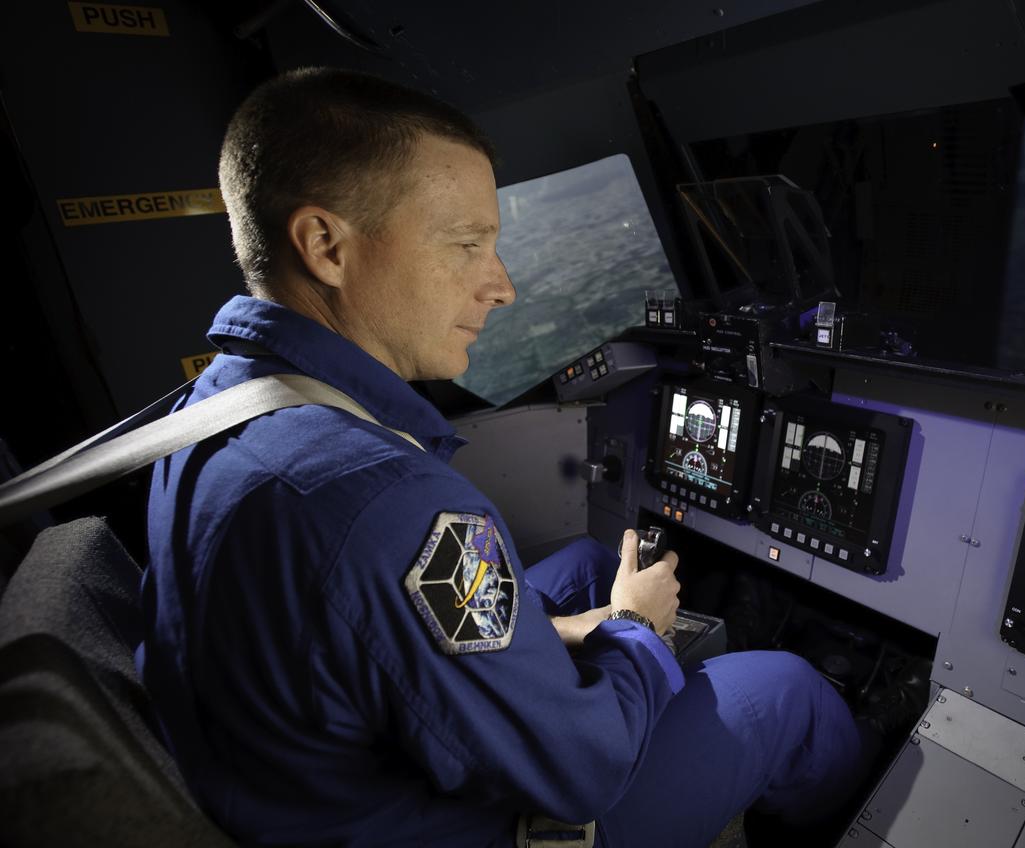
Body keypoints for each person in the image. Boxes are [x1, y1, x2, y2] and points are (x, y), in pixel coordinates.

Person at [141, 66, 873, 847]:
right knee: (786, 691)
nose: (503, 287)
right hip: (463, 828)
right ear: (326, 246)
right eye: (467, 245)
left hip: (300, 775)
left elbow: (368, 632)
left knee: (588, 564)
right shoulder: (384, 501)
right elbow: (582, 771)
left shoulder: (214, 407)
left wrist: (583, 629)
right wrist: (633, 629)